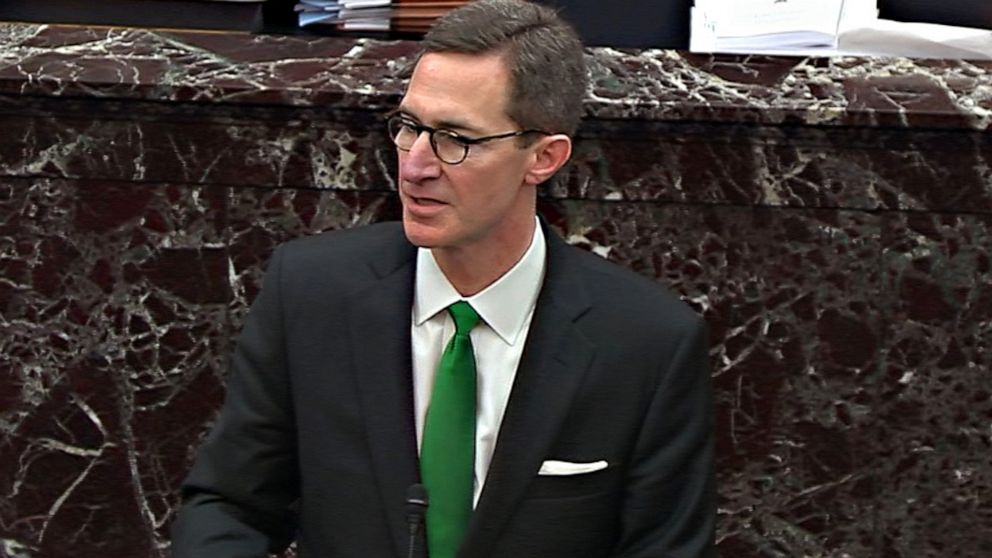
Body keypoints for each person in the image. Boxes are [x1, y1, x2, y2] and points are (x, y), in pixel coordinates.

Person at [171, 1, 715, 557]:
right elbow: (230, 505)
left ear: (543, 158)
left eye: (457, 139)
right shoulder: (311, 294)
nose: (415, 166)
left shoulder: (647, 345)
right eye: (410, 128)